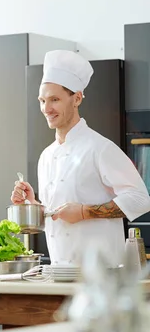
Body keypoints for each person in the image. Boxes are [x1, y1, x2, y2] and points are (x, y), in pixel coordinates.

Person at [11, 49, 150, 267]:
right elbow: (55, 218)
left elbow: (141, 199)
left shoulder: (100, 148)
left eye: (54, 99)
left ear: (76, 98)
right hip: (59, 274)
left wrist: (85, 212)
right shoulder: (46, 156)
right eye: (42, 100)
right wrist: (34, 206)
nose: (46, 108)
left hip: (101, 279)